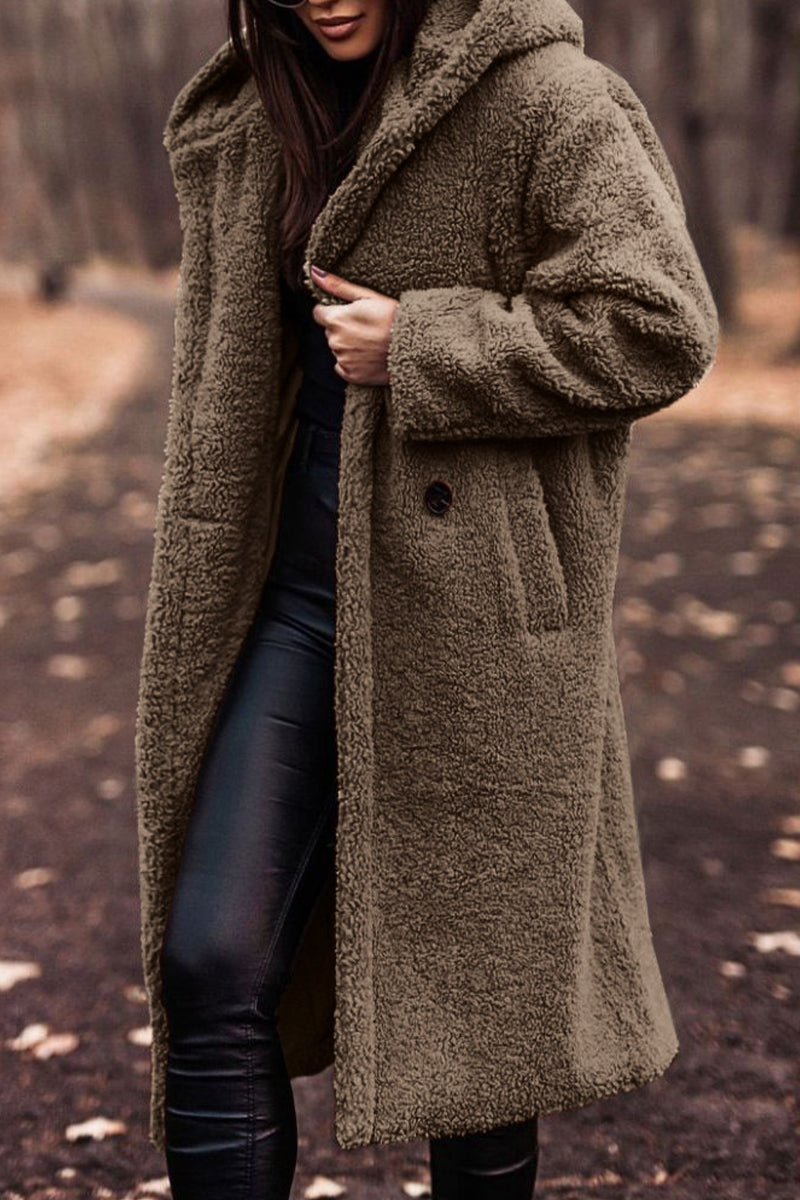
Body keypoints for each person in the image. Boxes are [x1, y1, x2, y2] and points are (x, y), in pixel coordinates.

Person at [134, 0, 719, 1196]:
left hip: (477, 620)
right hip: (293, 602)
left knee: (483, 1041)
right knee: (208, 963)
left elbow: (659, 324)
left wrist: (425, 344)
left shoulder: (543, 97)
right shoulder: (257, 112)